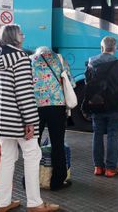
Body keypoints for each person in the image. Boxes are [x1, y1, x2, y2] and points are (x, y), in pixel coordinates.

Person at [0, 24, 59, 212]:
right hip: (17, 119)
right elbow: (24, 92)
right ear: (15, 38)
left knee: (7, 158)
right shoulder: (20, 58)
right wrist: (30, 121)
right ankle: (35, 203)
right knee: (33, 155)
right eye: (21, 34)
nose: (23, 37)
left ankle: (3, 202)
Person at [85, 36, 118, 177]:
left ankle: (98, 167)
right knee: (112, 135)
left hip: (97, 105)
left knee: (97, 134)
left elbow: (88, 83)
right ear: (115, 48)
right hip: (115, 106)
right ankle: (111, 168)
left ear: (102, 48)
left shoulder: (91, 63)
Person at [31, 46, 75, 190]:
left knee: (32, 145)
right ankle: (57, 181)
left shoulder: (30, 61)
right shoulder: (60, 59)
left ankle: (30, 181)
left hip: (35, 106)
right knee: (57, 144)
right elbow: (71, 82)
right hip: (57, 106)